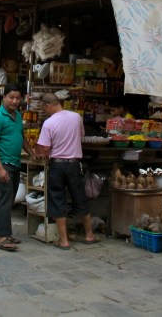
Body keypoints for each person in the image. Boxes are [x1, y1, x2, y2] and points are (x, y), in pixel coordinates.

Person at [35, 93, 99, 249]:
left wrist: (40, 152)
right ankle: (89, 235)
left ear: (48, 106)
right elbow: (81, 135)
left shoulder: (49, 123)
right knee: (80, 197)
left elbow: (44, 148)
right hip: (74, 164)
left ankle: (64, 240)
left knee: (57, 199)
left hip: (57, 165)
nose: (45, 111)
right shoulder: (76, 117)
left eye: (45, 108)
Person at [0, 83, 35, 252]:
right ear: (4, 97)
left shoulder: (16, 115)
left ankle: (5, 232)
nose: (15, 101)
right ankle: (1, 237)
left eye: (17, 98)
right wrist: (0, 168)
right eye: (11, 97)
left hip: (14, 162)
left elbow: (21, 137)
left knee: (8, 200)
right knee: (4, 201)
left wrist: (31, 153)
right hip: (3, 163)